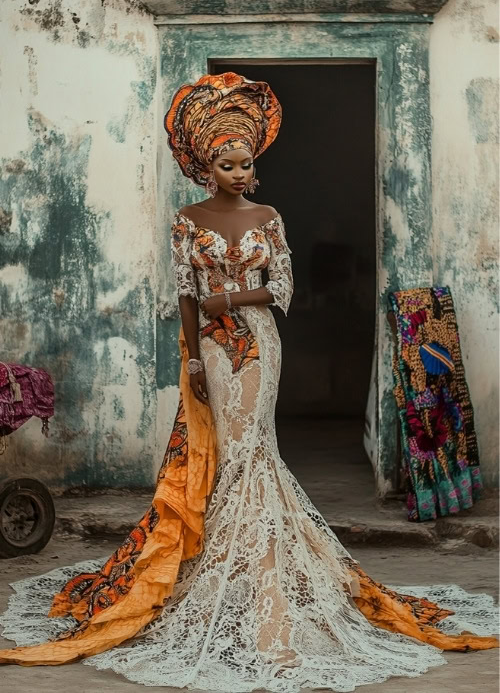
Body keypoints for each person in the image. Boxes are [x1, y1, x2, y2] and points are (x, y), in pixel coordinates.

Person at [0, 72, 497, 690]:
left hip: (258, 339)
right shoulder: (186, 220)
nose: (240, 173)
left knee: (252, 451)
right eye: (229, 165)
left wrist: (228, 298)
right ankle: (232, 575)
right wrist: (189, 358)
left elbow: (284, 289)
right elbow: (185, 294)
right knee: (230, 453)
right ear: (208, 168)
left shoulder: (268, 216)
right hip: (209, 348)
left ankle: (263, 586)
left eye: (246, 163)